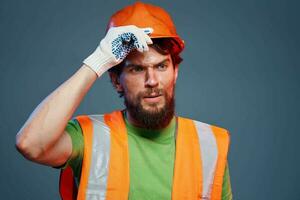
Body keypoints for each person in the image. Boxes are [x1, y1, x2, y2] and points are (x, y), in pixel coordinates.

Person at [16, 1, 232, 200]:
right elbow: (30, 144)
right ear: (116, 80)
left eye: (161, 66)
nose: (152, 80)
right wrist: (98, 60)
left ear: (175, 72)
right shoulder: (88, 137)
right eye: (137, 69)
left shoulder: (210, 144)